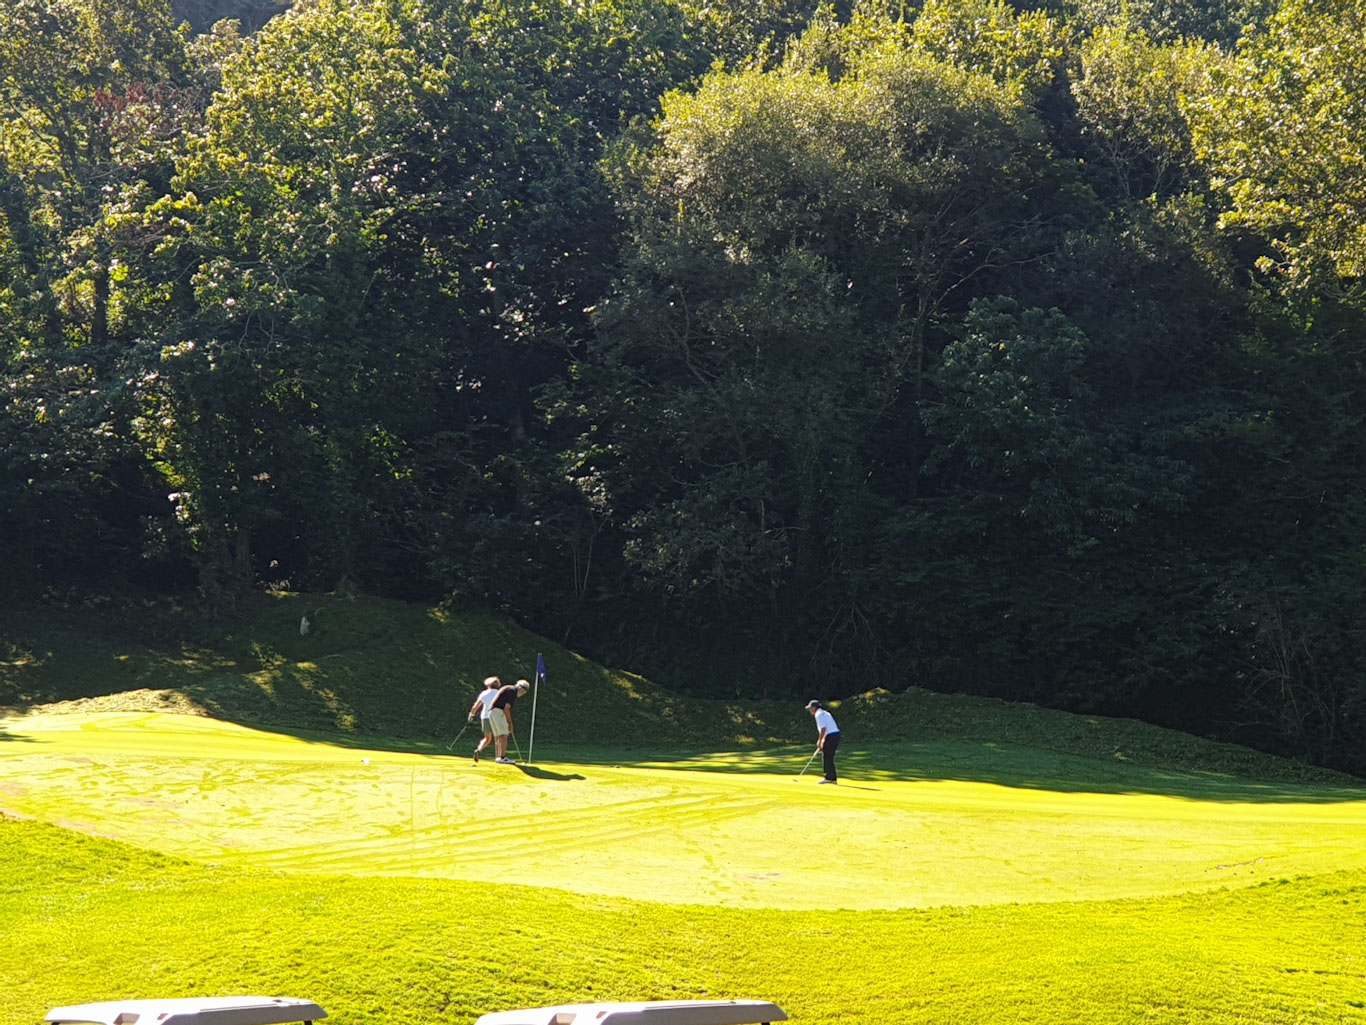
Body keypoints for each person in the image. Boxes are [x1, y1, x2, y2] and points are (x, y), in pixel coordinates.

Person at [489, 679, 530, 763]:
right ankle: (502, 757)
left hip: (492, 712)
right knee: (504, 734)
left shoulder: (509, 688)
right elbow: (506, 708)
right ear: (521, 688)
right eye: (524, 691)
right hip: (498, 711)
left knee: (498, 735)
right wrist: (510, 723)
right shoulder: (513, 691)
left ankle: (498, 757)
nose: (523, 693)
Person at [806, 699, 841, 784]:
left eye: (810, 708)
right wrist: (823, 740)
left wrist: (820, 740)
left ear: (814, 708)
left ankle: (829, 778)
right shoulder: (825, 713)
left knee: (827, 757)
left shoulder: (819, 714)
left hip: (831, 736)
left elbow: (823, 728)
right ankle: (832, 778)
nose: (810, 710)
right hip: (835, 735)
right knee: (829, 757)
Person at [468, 676, 501, 763]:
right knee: (499, 737)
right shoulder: (499, 693)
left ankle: (479, 749)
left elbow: (476, 706)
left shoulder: (484, 693)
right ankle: (499, 756)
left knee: (487, 738)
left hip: (485, 717)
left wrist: (471, 714)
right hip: (496, 717)